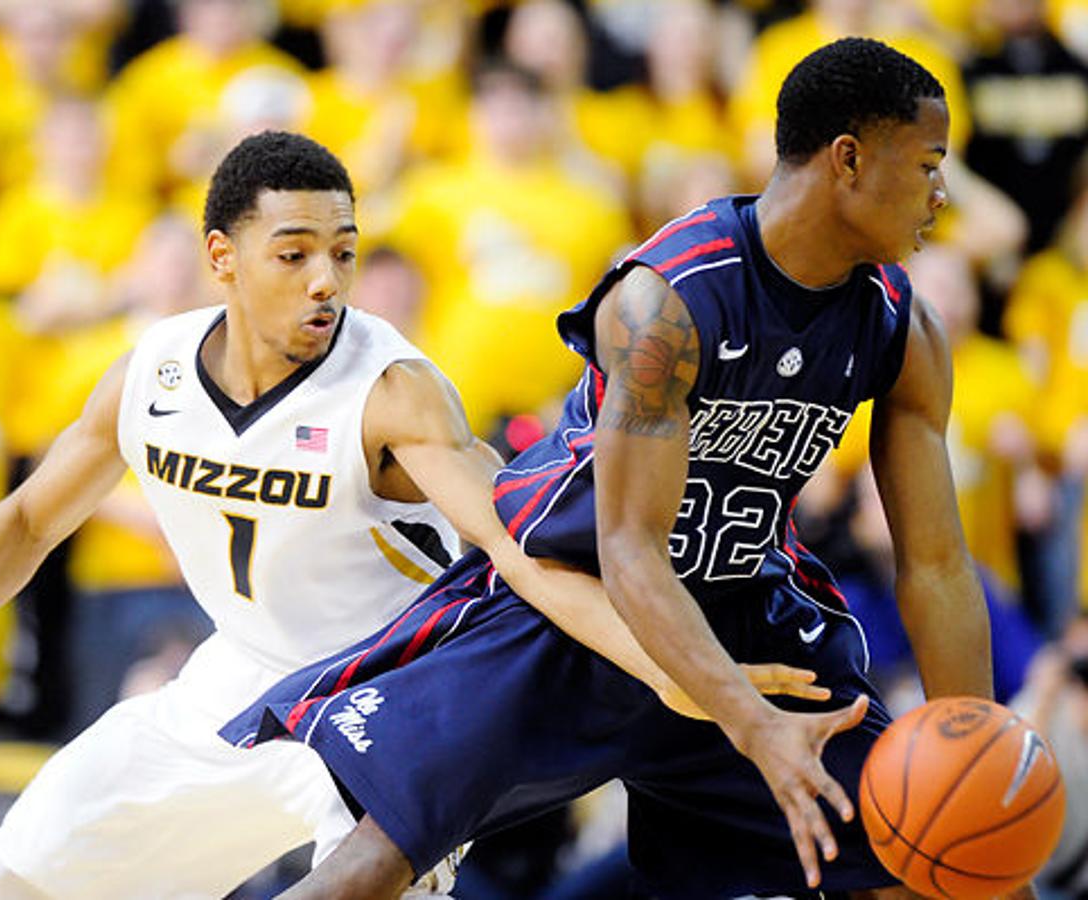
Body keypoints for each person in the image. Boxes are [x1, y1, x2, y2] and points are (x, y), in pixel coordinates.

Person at [0, 131, 814, 899]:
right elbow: (25, 524)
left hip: (389, 695)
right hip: (237, 678)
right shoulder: (152, 370)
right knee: (16, 875)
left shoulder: (392, 391)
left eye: (343, 251)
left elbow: (524, 558)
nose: (326, 279)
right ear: (223, 257)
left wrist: (680, 675)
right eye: (294, 254)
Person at [222, 38, 1031, 899]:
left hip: (742, 618)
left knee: (957, 867)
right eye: (930, 166)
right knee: (368, 871)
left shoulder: (903, 327)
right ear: (848, 161)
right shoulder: (669, 300)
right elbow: (631, 549)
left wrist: (965, 744)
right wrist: (750, 725)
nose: (943, 197)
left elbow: (937, 564)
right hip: (578, 606)